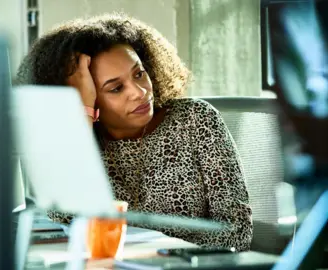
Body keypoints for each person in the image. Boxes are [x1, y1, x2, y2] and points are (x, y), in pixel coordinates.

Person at [15, 13, 253, 251]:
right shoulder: (82, 143)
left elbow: (236, 230)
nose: (139, 92)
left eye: (139, 74)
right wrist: (82, 112)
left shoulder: (195, 119)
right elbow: (62, 213)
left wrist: (168, 257)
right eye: (116, 88)